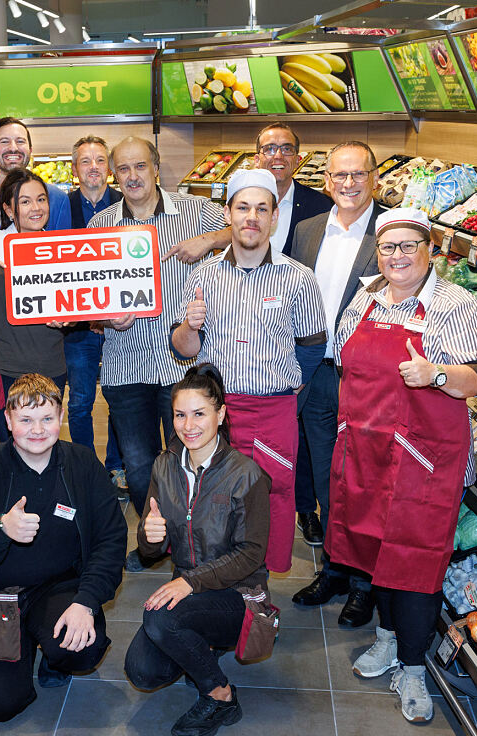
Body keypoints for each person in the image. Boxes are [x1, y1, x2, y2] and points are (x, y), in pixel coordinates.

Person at [329, 208, 477, 723]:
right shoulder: (367, 296)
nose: (396, 256)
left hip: (425, 459)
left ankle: (413, 667)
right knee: (377, 549)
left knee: (417, 562)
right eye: (388, 246)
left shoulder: (455, 304)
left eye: (407, 246)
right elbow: (344, 363)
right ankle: (385, 637)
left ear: (429, 249)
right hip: (369, 452)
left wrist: (436, 373)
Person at [171, 169, 326, 574]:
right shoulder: (203, 276)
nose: (251, 217)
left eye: (261, 208)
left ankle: (258, 584)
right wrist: (190, 325)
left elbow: (312, 347)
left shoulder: (299, 278)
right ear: (229, 213)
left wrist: (291, 392)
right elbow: (183, 348)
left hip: (274, 409)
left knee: (272, 492)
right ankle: (217, 576)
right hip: (219, 413)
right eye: (243, 207)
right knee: (216, 494)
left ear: (274, 217)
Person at [0, 374, 126, 722]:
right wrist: (1, 528)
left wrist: (86, 602)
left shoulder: (83, 464)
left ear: (60, 418)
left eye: (47, 418)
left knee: (81, 649)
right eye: (26, 419)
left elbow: (111, 539)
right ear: (9, 420)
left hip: (59, 587)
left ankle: (50, 648)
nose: (37, 429)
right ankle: (23, 644)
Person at [87, 137, 225, 558]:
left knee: (190, 455)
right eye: (123, 169)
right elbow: (87, 304)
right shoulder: (100, 227)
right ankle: (155, 541)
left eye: (139, 166)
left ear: (156, 167)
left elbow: (248, 227)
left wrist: (209, 241)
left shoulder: (196, 211)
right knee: (140, 464)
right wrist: (104, 317)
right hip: (125, 365)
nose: (132, 176)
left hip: (182, 366)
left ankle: (194, 542)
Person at [124, 364, 270, 736]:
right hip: (191, 587)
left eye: (200, 413)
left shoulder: (246, 474)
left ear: (220, 414)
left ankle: (220, 695)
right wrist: (149, 536)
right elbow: (152, 547)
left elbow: (252, 555)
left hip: (238, 593)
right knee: (142, 671)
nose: (188, 425)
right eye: (179, 414)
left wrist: (190, 581)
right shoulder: (165, 466)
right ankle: (201, 643)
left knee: (159, 622)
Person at [288, 141, 386, 628]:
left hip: (366, 381)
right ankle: (336, 568)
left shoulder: (390, 233)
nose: (349, 184)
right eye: (339, 175)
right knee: (329, 479)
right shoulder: (307, 232)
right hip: (314, 374)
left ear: (374, 178)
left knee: (364, 482)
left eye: (358, 174)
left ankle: (366, 583)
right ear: (326, 181)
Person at [253, 123, 334, 547]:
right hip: (258, 336)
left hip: (303, 334)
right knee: (277, 432)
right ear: (257, 157)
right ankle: (284, 509)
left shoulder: (320, 206)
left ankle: (309, 511)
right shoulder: (244, 200)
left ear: (299, 158)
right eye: (269, 148)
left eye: (287, 148)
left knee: (306, 432)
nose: (277, 156)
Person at [0, 168, 67, 442]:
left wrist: (71, 318)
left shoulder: (62, 247)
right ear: (9, 210)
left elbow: (78, 298)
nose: (36, 208)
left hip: (52, 364)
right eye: (25, 201)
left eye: (41, 199)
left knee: (45, 443)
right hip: (3, 367)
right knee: (10, 448)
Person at [64, 135, 127, 496]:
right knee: (81, 401)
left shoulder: (124, 204)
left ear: (110, 168)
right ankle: (87, 467)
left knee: (119, 397)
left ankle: (117, 466)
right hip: (80, 329)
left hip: (122, 327)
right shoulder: (61, 206)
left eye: (100, 160)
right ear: (75, 169)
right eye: (85, 161)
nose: (93, 168)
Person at [0, 117, 71, 241]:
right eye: (5, 141)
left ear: (30, 150)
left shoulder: (58, 199)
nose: (13, 148)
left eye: (20, 141)